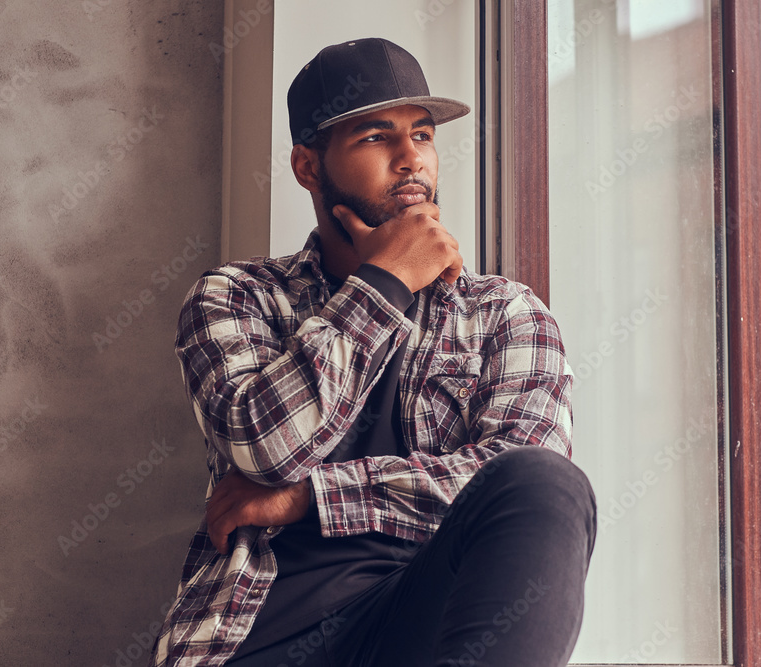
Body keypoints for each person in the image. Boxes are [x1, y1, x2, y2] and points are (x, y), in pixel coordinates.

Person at [149, 37, 596, 667]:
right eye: (376, 138)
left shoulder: (505, 314)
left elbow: (510, 481)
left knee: (547, 483)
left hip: (417, 626)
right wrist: (385, 282)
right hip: (259, 634)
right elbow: (266, 447)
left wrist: (311, 497)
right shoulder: (237, 297)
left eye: (423, 135)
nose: (411, 159)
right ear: (308, 166)